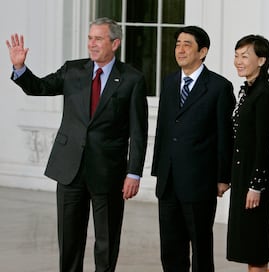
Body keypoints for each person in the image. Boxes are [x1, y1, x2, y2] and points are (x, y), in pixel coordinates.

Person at [5, 17, 148, 271]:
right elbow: (39, 87)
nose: (92, 44)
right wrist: (20, 69)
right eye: (90, 38)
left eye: (98, 39)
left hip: (108, 172)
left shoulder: (131, 79)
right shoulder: (73, 70)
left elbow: (138, 132)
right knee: (69, 240)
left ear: (115, 43)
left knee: (106, 240)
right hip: (70, 168)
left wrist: (133, 172)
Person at [151, 25, 235, 272]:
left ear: (203, 51)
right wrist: (158, 169)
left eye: (187, 44)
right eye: (178, 44)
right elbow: (163, 130)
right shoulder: (169, 82)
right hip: (168, 181)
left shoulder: (219, 87)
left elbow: (225, 135)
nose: (180, 49)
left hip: (200, 181)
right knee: (170, 248)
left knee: (200, 246)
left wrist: (223, 177)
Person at [226, 34, 269, 272]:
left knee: (255, 245)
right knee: (245, 243)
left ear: (261, 60)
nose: (238, 61)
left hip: (254, 177)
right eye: (236, 55)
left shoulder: (265, 93)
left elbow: (262, 143)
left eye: (245, 56)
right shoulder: (246, 89)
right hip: (241, 173)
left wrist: (256, 185)